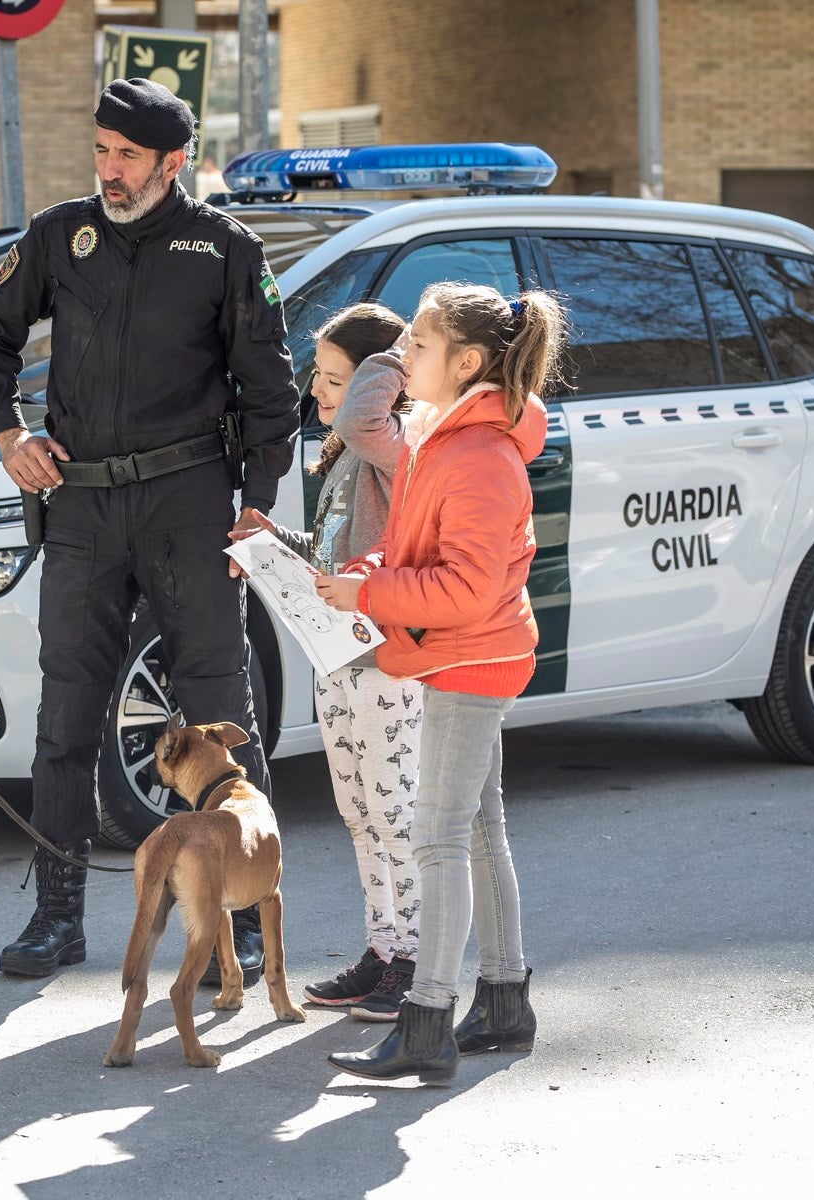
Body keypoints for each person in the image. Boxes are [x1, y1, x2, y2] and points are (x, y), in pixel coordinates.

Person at [0, 78, 298, 983]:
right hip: (84, 508)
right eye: (102, 151)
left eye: (128, 157)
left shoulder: (224, 247)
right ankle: (56, 915)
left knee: (225, 721)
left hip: (189, 506)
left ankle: (251, 919)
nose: (110, 171)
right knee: (65, 713)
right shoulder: (58, 236)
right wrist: (8, 433)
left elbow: (272, 392)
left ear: (172, 162)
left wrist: (257, 502)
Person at [316, 282, 564, 1086]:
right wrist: (367, 573)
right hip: (460, 651)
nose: (401, 356)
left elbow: (463, 590)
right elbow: (426, 556)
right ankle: (503, 1002)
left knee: (439, 837)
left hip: (467, 658)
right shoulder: (442, 436)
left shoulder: (481, 456)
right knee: (479, 831)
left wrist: (373, 594)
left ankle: (427, 1023)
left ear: (466, 362)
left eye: (416, 346)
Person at [231, 303, 426, 1022]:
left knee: (397, 813)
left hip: (387, 658)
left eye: (335, 379)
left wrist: (401, 349)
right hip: (339, 658)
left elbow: (361, 418)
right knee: (359, 811)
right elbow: (333, 553)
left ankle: (415, 959)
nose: (319, 392)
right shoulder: (350, 454)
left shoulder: (394, 439)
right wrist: (270, 538)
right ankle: (381, 948)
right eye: (319, 376)